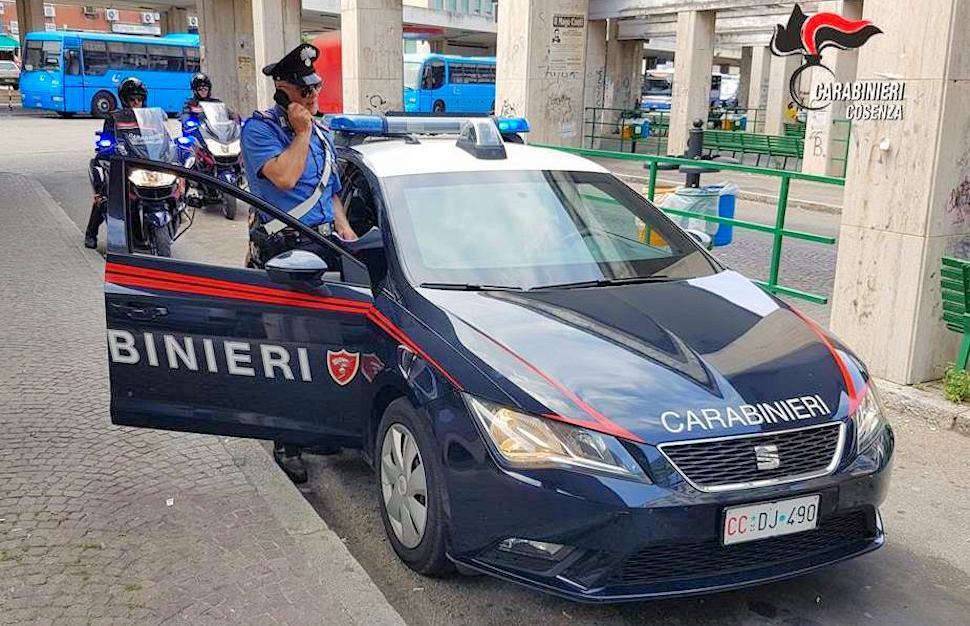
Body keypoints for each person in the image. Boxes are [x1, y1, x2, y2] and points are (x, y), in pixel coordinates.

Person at [240, 42, 357, 483]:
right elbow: (286, 177)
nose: (312, 98)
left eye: (316, 88)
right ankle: (287, 440)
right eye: (303, 91)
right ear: (282, 90)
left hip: (325, 249)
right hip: (283, 254)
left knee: (326, 346)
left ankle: (317, 427)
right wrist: (301, 132)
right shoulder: (260, 130)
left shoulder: (322, 132)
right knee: (288, 350)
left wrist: (344, 228)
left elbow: (329, 192)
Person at [84, 77, 147, 249]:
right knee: (105, 194)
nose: (136, 103)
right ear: (125, 100)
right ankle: (91, 233)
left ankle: (139, 235)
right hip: (120, 161)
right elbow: (107, 139)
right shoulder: (114, 118)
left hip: (140, 162)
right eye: (132, 99)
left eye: (139, 99)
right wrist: (108, 146)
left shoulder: (147, 118)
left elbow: (157, 137)